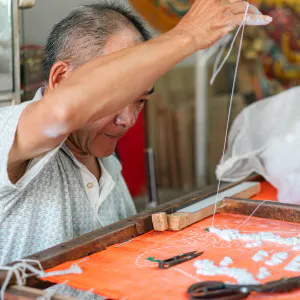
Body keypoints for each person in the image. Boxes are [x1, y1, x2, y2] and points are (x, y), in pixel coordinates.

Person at [0, 0, 271, 266]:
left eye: (140, 101)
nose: (128, 119)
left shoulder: (108, 169)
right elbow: (60, 113)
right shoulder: (10, 138)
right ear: (60, 80)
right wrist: (188, 34)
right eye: (115, 99)